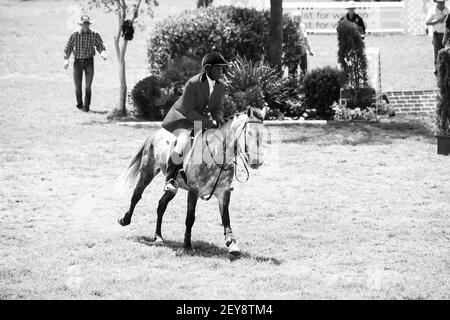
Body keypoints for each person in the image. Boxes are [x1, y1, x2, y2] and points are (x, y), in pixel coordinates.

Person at [161, 53, 228, 193]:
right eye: (218, 68)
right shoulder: (193, 83)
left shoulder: (220, 86)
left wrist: (220, 120)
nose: (221, 72)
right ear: (208, 68)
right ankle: (170, 179)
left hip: (199, 119)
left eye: (222, 69)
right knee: (183, 141)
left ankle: (212, 179)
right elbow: (188, 110)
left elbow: (218, 108)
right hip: (182, 118)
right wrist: (207, 122)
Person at [64, 15, 107, 112]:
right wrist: (66, 60)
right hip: (77, 62)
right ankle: (80, 105)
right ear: (81, 24)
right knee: (78, 86)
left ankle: (86, 107)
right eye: (84, 23)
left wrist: (103, 53)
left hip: (89, 62)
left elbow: (100, 45)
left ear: (89, 24)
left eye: (87, 23)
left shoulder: (94, 34)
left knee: (88, 86)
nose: (86, 25)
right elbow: (69, 47)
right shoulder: (75, 34)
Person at [426, 0, 449, 75]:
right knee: (437, 53)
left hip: (447, 35)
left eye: (443, 2)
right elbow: (427, 22)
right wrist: (438, 20)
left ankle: (446, 70)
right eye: (440, 2)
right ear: (437, 2)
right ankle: (438, 70)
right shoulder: (432, 10)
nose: (442, 4)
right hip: (437, 34)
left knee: (447, 53)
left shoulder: (447, 9)